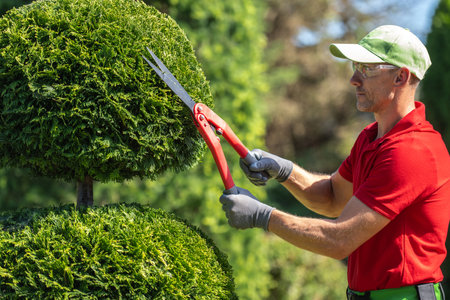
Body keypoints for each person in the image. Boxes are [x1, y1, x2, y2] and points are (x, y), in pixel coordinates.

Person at [219, 25, 450, 300]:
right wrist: (283, 170)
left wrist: (263, 216)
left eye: (367, 68)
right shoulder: (371, 137)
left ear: (401, 77)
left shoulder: (413, 150)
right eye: (355, 66)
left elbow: (339, 240)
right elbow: (332, 198)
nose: (354, 78)